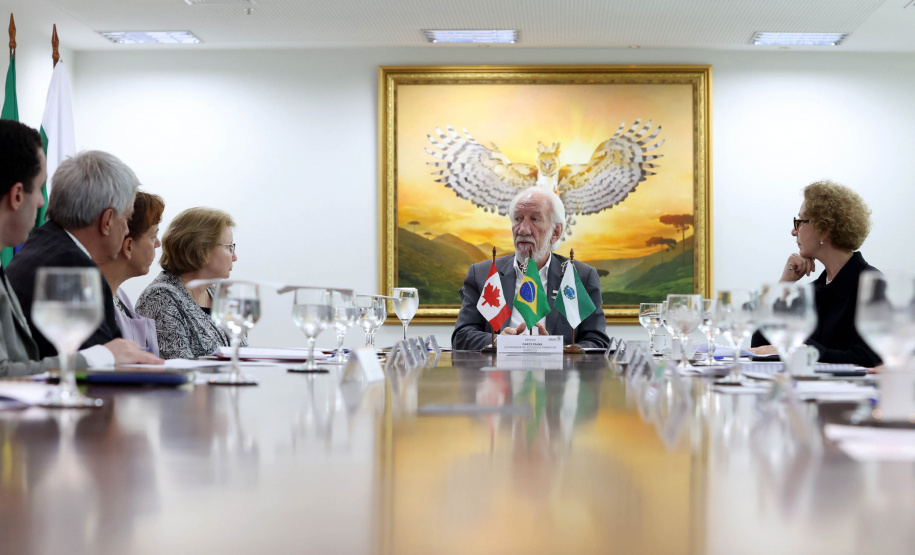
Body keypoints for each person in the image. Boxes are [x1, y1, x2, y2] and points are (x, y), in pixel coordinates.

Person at [0, 120, 160, 376]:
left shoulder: (45, 245)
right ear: (107, 220)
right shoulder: (68, 265)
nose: (42, 201)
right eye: (127, 218)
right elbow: (108, 372)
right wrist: (107, 355)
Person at [452, 187, 610, 350]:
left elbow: (598, 342)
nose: (523, 229)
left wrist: (552, 348)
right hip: (499, 372)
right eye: (518, 219)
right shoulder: (483, 274)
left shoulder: (581, 277)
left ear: (555, 232)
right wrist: (500, 342)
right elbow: (461, 336)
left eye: (534, 219)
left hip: (557, 374)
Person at [749, 180, 881, 367]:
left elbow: (867, 361)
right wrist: (784, 286)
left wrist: (803, 349)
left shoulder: (874, 288)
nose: (794, 231)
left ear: (824, 229)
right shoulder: (815, 291)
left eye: (801, 222)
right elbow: (761, 346)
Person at [136, 207, 245, 359]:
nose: (234, 257)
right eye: (229, 247)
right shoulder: (161, 298)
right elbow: (178, 369)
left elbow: (242, 355)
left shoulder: (218, 295)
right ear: (202, 250)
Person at [98, 191, 165, 356]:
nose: (158, 243)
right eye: (153, 236)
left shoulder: (120, 295)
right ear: (129, 247)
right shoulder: (95, 302)